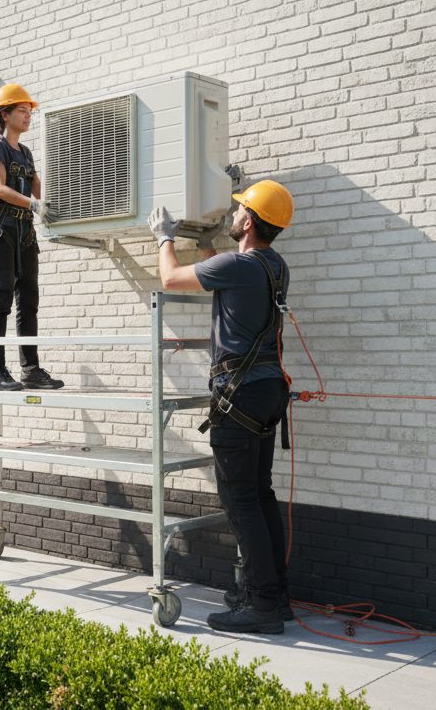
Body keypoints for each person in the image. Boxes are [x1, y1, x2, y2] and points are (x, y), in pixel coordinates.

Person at [149, 180, 295, 634]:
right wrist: (210, 247)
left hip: (240, 394)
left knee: (240, 500)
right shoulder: (275, 266)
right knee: (261, 494)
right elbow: (224, 270)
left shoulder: (239, 265)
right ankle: (271, 593)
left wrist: (164, 237)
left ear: (248, 222)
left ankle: (263, 606)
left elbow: (171, 278)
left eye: (238, 212)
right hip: (269, 391)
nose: (233, 215)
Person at [0, 83, 64, 392]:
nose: (28, 116)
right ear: (4, 114)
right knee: (0, 302)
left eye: (29, 112)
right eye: (22, 111)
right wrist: (34, 204)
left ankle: (31, 369)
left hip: (24, 232)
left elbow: (41, 189)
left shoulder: (25, 153)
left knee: (29, 302)